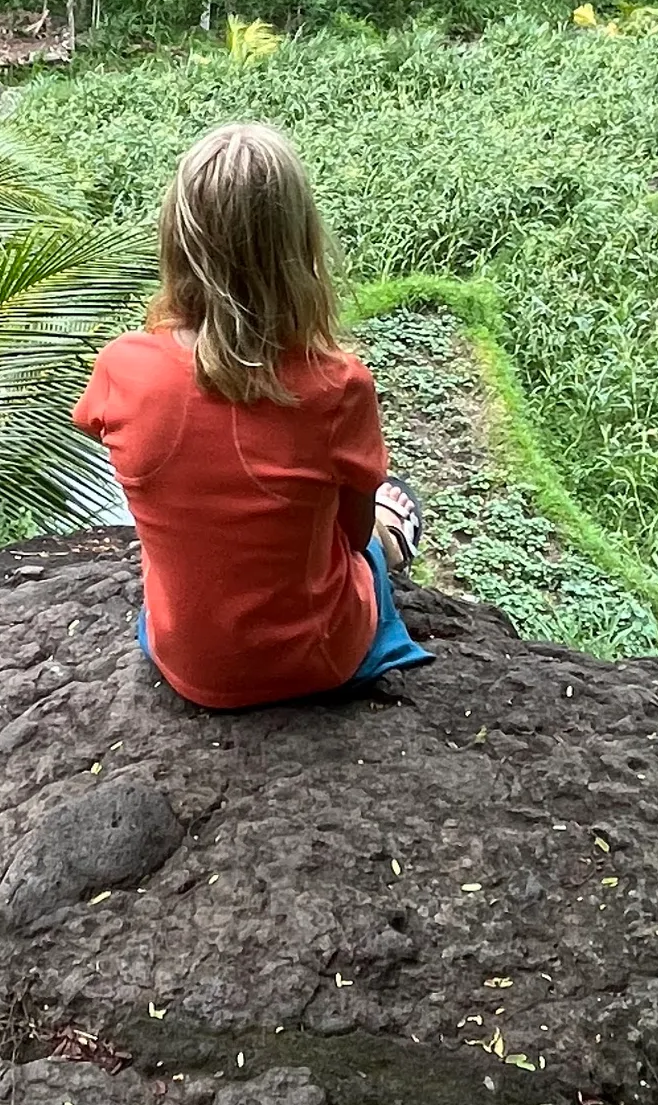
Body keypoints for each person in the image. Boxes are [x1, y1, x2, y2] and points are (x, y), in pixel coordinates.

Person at [74, 120, 429, 710]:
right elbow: (347, 531)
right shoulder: (337, 384)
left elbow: (101, 426)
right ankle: (398, 539)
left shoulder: (122, 366)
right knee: (370, 540)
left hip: (184, 658)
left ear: (176, 244)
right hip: (318, 660)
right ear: (300, 248)